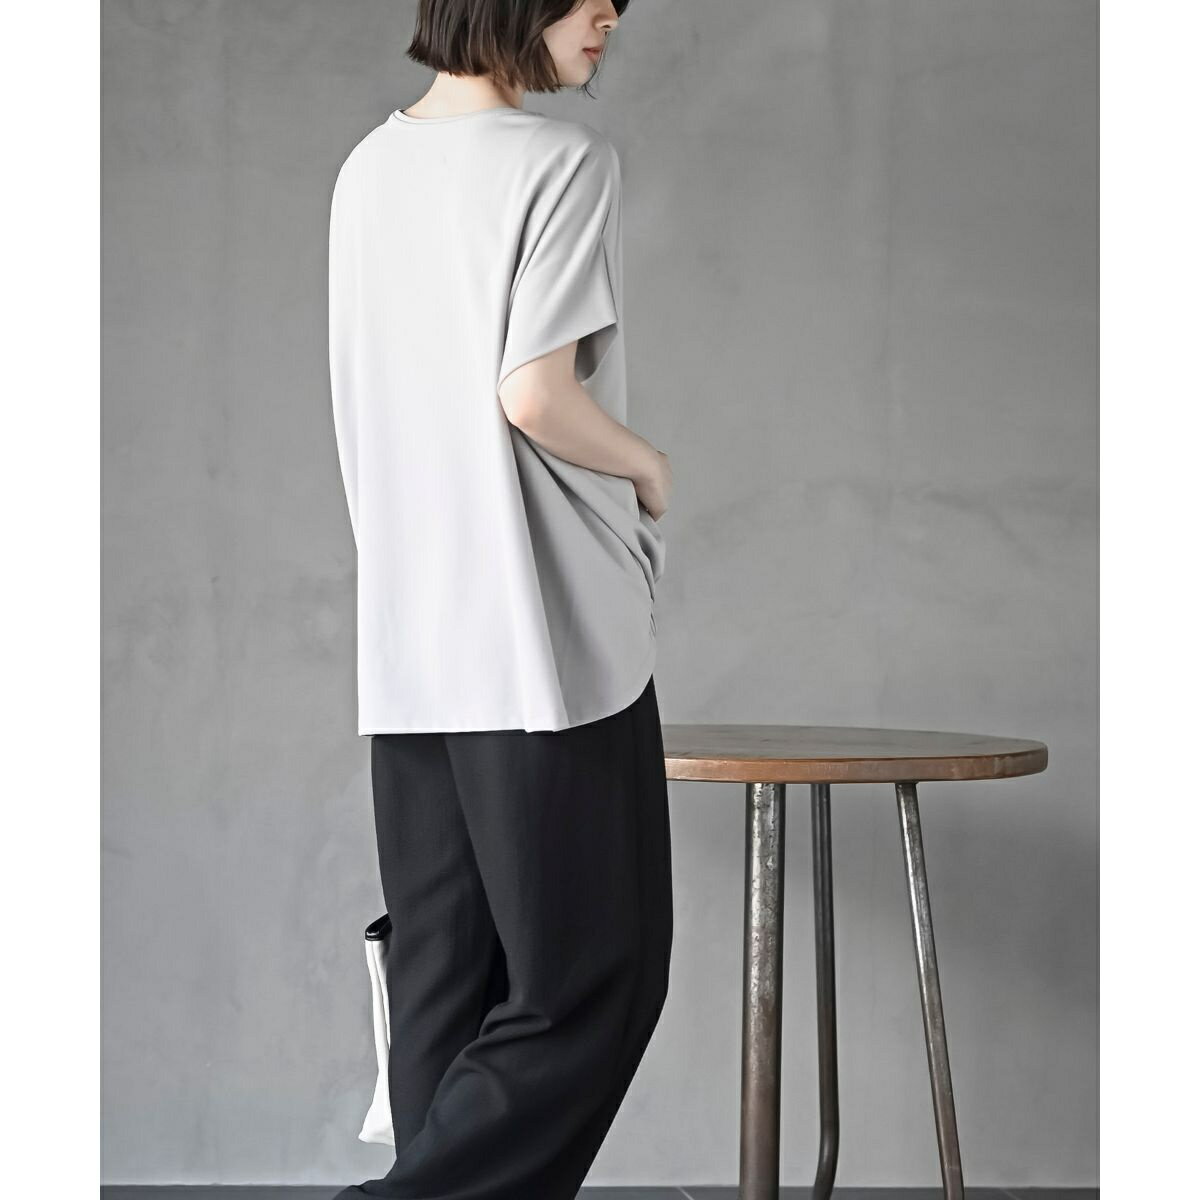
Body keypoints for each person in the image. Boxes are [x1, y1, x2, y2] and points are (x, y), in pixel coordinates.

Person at [326, 2, 673, 1197]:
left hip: (412, 640)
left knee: (445, 980)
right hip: (542, 633)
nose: (609, 15)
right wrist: (647, 466)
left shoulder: (368, 170)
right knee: (592, 980)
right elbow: (534, 395)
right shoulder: (563, 161)